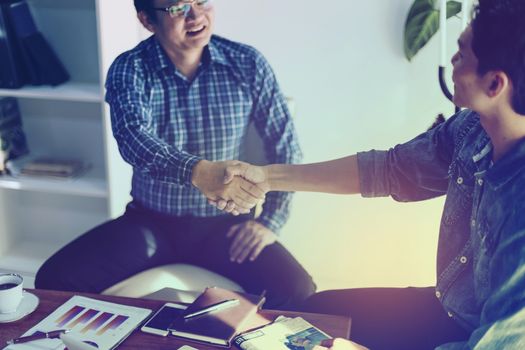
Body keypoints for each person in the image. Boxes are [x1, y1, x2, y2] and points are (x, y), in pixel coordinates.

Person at [219, 0, 525, 348]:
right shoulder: (473, 128)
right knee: (307, 316)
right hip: (448, 310)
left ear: (495, 84)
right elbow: (390, 169)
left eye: (462, 54)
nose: (453, 62)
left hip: (477, 338)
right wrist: (268, 177)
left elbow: (498, 344)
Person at [34, 0, 315, 309]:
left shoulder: (247, 63)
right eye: (177, 8)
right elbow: (133, 139)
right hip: (151, 224)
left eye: (201, 1)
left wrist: (270, 221)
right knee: (54, 279)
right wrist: (199, 172)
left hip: (226, 226)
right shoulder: (130, 69)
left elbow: (285, 145)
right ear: (147, 20)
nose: (195, 15)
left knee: (298, 290)